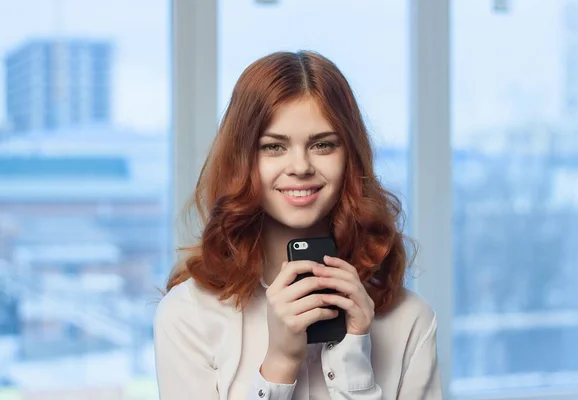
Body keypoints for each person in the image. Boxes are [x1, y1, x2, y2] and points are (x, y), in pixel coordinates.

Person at [154, 50, 442, 400]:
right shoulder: (189, 316)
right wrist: (279, 363)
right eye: (274, 147)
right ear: (243, 160)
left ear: (349, 157)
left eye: (323, 145)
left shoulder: (411, 320)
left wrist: (353, 358)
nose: (300, 166)